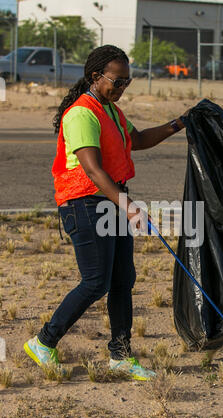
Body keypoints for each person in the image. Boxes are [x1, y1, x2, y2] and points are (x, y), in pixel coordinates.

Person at [23, 45, 188, 381]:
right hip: (84, 202)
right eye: (117, 81)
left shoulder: (110, 109)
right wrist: (128, 206)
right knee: (96, 281)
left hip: (109, 202)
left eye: (127, 82)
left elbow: (137, 140)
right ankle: (44, 342)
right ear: (96, 76)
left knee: (122, 279)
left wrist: (179, 123)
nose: (122, 88)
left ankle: (121, 356)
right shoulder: (81, 113)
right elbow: (93, 170)